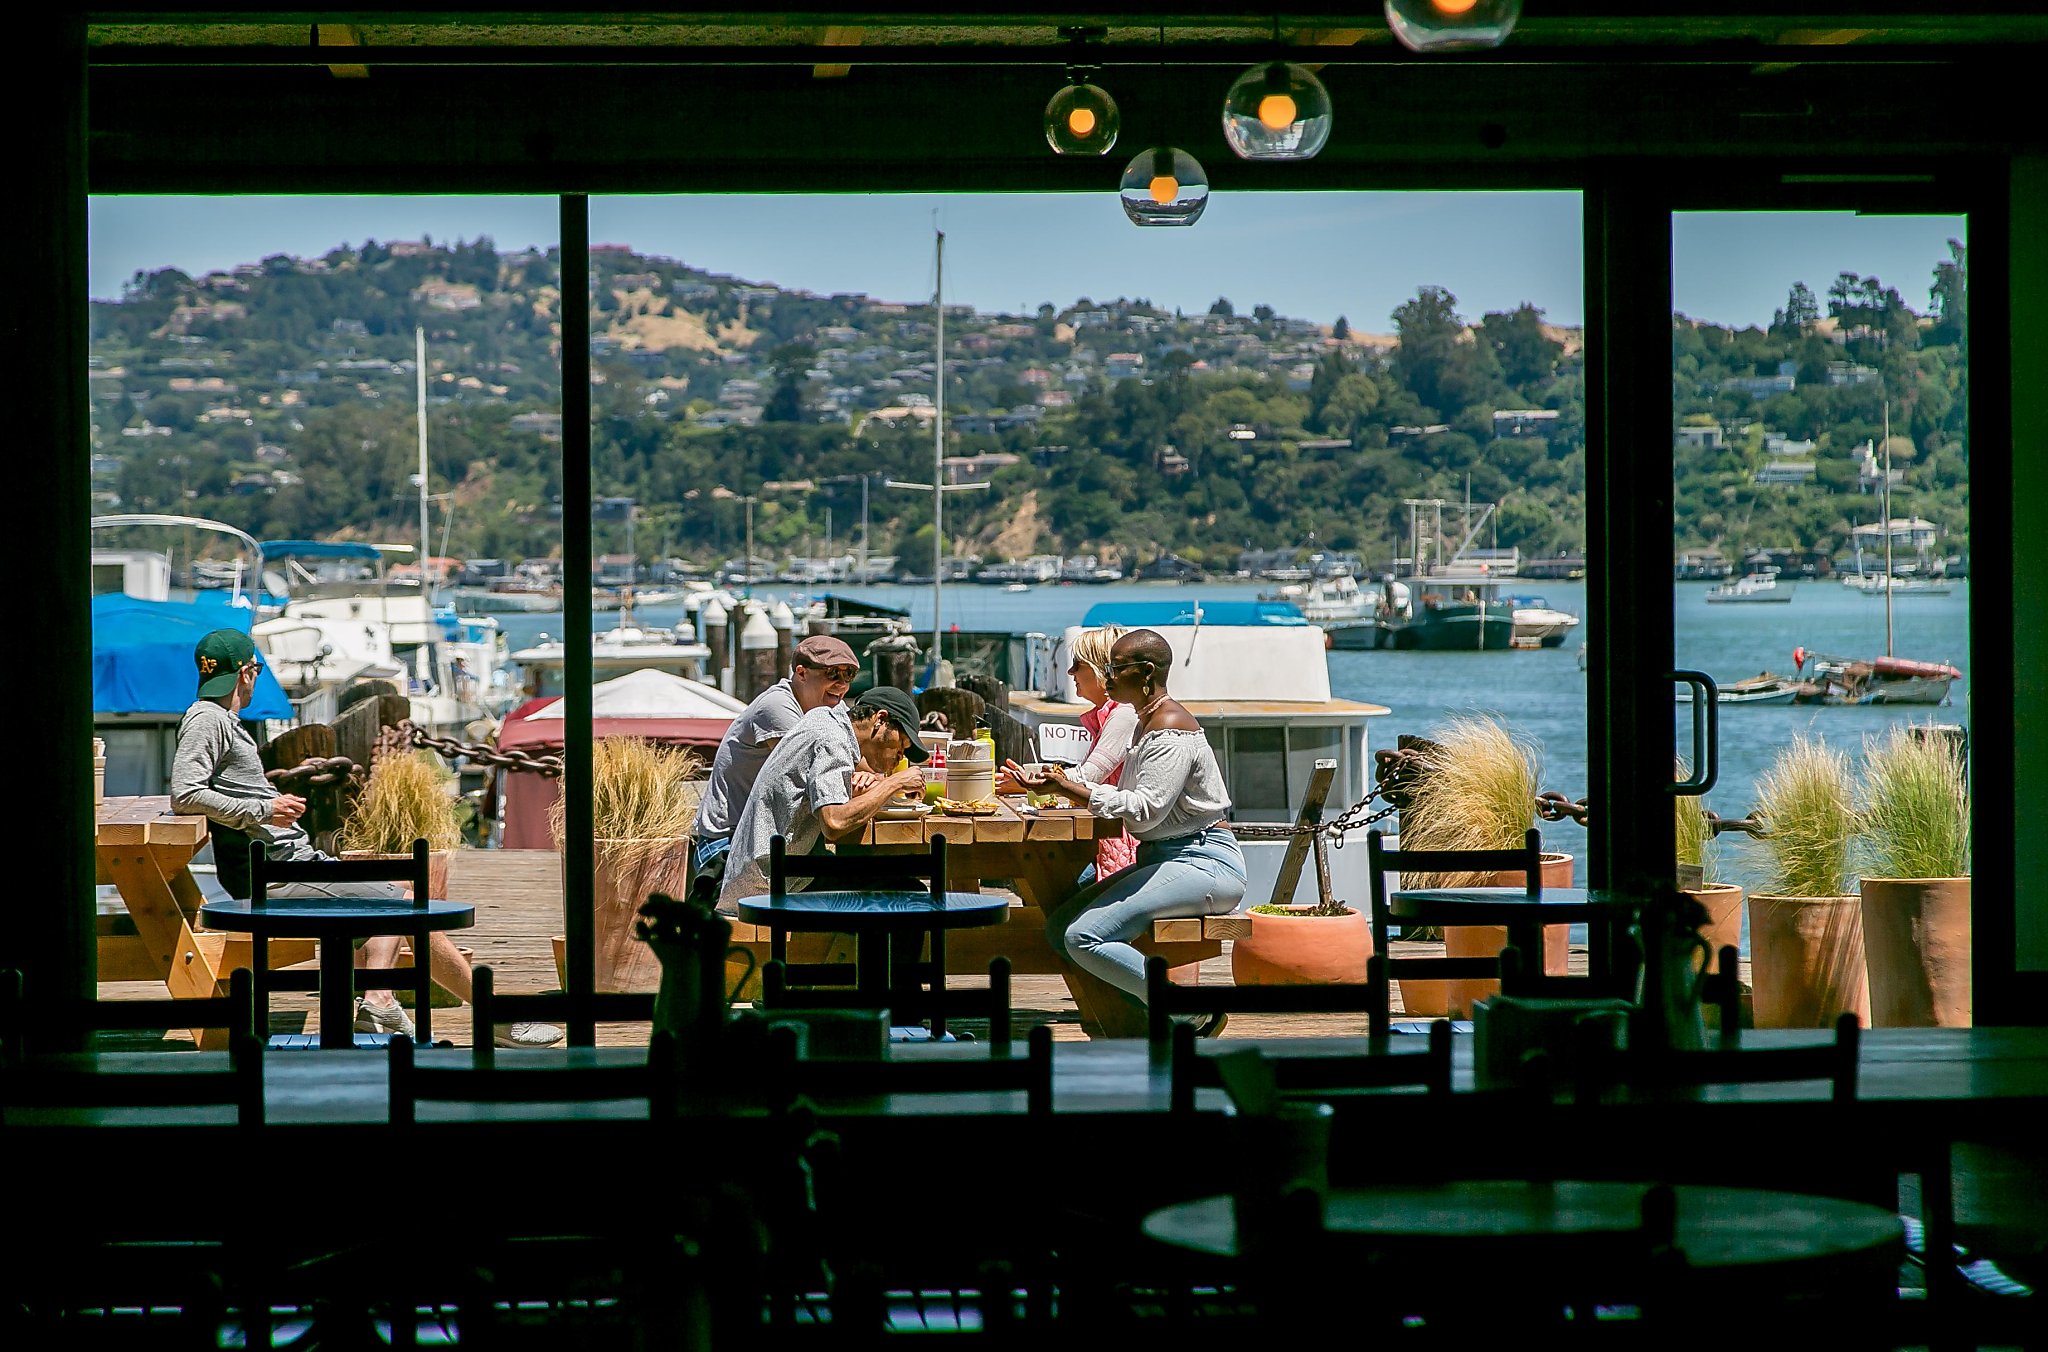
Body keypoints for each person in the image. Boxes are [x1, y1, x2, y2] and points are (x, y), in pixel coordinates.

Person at [171, 629, 563, 1048]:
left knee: (404, 893)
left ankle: (379, 1002)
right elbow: (185, 793)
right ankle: (495, 1017)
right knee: (406, 906)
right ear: (248, 672)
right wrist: (265, 809)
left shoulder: (215, 719)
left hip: (289, 864)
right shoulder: (207, 720)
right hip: (280, 875)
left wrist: (266, 804)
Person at [1016, 629, 1246, 1036]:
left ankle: (1187, 1013)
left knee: (1083, 936)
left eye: (1115, 669)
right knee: (1059, 930)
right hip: (1169, 858)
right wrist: (1069, 787)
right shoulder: (1146, 722)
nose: (1107, 679)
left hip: (1205, 862)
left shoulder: (1170, 727)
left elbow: (1145, 811)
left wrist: (1071, 788)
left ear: (1145, 673)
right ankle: (1145, 1017)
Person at [718, 685, 929, 913]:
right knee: (908, 892)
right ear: (880, 719)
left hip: (771, 874)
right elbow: (834, 824)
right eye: (902, 745)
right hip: (770, 887)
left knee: (889, 882)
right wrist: (894, 783)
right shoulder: (832, 739)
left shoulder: (824, 719)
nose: (900, 757)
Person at [691, 634, 862, 892]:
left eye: (848, 675)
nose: (841, 684)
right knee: (853, 893)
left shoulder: (827, 707)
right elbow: (813, 774)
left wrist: (871, 777)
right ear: (802, 673)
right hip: (727, 846)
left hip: (765, 841)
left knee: (858, 889)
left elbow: (854, 765)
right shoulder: (778, 707)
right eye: (832, 674)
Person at [999, 624, 1136, 881]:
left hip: (1119, 843)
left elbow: (1088, 777)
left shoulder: (1123, 714)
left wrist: (1027, 785)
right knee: (1040, 869)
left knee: (1042, 871)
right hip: (1107, 836)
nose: (1070, 671)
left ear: (1100, 669)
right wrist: (1029, 783)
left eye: (1078, 663)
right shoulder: (1111, 714)